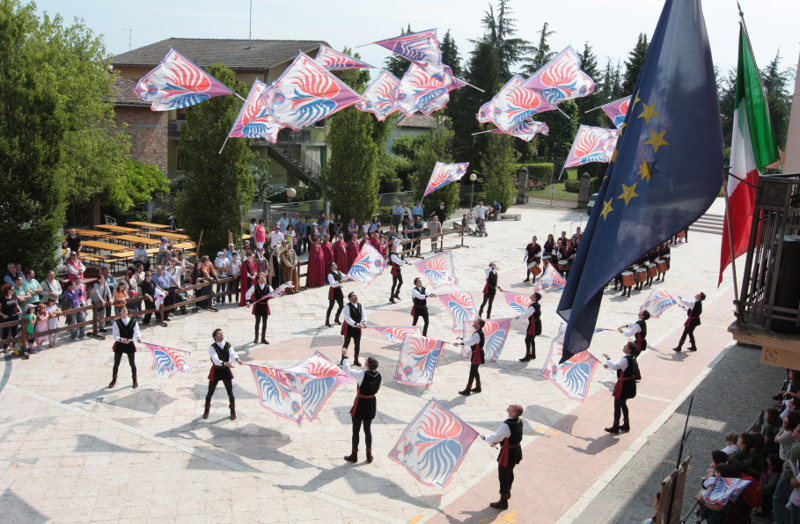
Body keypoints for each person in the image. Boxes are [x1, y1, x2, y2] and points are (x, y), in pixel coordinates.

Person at [341, 348, 381, 464]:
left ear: (367, 364)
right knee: (367, 430)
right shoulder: (379, 375)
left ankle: (354, 454)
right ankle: (369, 454)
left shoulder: (362, 374)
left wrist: (346, 356)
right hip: (371, 403)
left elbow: (347, 370)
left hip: (361, 403)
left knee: (356, 430)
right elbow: (377, 388)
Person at [481, 404, 524, 510]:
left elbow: (497, 436)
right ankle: (508, 492)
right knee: (509, 472)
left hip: (508, 453)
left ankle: (503, 501)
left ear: (513, 413)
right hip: (516, 450)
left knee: (503, 476)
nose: (510, 406)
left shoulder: (507, 425)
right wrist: (497, 440)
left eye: (512, 406)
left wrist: (485, 437)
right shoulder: (519, 421)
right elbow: (507, 436)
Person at [203, 328, 243, 420]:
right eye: (219, 334)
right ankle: (206, 410)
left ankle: (232, 411)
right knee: (210, 392)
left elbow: (232, 353)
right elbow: (215, 359)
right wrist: (225, 363)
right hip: (216, 370)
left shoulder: (228, 345)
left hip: (225, 370)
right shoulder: (212, 347)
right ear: (215, 337)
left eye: (222, 333)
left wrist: (237, 359)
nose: (221, 335)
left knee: (230, 392)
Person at [603, 341, 639, 434]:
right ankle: (626, 425)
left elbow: (615, 366)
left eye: (626, 346)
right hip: (629, 383)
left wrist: (608, 358)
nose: (624, 346)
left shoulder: (625, 359)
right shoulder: (633, 358)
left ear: (629, 350)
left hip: (624, 385)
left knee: (617, 405)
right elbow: (622, 368)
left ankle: (615, 426)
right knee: (623, 404)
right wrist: (610, 366)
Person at [108, 306, 142, 389]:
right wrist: (122, 339)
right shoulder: (117, 322)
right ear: (120, 312)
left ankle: (134, 381)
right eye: (122, 309)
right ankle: (113, 380)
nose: (125, 310)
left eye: (125, 309)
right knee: (116, 363)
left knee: (132, 363)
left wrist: (138, 338)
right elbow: (115, 335)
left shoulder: (133, 321)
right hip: (120, 344)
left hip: (129, 343)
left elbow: (136, 331)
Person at [457, 319, 486, 396]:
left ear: (478, 325)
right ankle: (478, 387)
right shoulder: (478, 332)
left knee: (472, 372)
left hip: (477, 355)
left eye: (476, 322)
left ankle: (468, 389)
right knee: (475, 371)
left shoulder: (477, 334)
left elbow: (470, 342)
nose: (474, 322)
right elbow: (471, 341)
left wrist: (462, 339)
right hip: (477, 354)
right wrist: (460, 342)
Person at [245, 272, 273, 345]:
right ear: (258, 280)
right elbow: (248, 294)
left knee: (265, 322)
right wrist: (247, 301)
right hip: (257, 306)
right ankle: (256, 338)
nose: (262, 278)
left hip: (265, 306)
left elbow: (273, 294)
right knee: (257, 322)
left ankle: (263, 338)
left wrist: (278, 293)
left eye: (263, 277)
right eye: (261, 277)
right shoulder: (254, 287)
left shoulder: (268, 287)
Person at [342, 291, 368, 367]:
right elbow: (348, 318)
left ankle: (356, 360)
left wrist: (364, 322)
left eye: (356, 295)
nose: (355, 297)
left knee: (357, 344)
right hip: (349, 327)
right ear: (350, 299)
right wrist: (356, 324)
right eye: (353, 296)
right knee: (346, 343)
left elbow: (363, 315)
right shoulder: (347, 307)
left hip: (357, 327)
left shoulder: (360, 305)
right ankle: (343, 359)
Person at [515, 292, 541, 362]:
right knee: (532, 339)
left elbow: (526, 315)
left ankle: (528, 356)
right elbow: (527, 313)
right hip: (536, 323)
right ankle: (533, 354)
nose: (531, 295)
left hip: (533, 325)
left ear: (535, 298)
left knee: (527, 339)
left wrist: (519, 317)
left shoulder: (533, 306)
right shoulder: (537, 305)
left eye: (533, 295)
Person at [1, 283, 24, 357]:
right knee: (6, 332)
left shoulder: (14, 296)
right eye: (12, 289)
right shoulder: (2, 298)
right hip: (6, 318)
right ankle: (5, 346)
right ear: (7, 290)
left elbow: (16, 304)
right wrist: (3, 315)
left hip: (15, 316)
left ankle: (16, 347)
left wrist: (19, 310)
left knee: (15, 332)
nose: (13, 290)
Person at [326, 262, 347, 327]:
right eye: (334, 265)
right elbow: (333, 284)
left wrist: (349, 274)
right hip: (333, 291)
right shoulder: (330, 275)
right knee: (331, 306)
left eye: (335, 264)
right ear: (331, 267)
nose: (335, 265)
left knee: (341, 306)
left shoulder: (339, 273)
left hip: (339, 290)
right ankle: (327, 321)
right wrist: (340, 281)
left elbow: (345, 277)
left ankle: (336, 318)